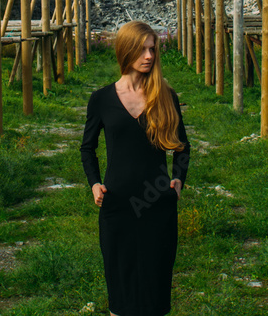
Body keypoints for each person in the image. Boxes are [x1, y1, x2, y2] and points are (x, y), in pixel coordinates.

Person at [80, 20, 190, 316]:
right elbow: (87, 148)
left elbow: (182, 146)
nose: (149, 56)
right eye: (142, 49)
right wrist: (94, 184)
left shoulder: (166, 96)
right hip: (116, 203)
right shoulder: (101, 99)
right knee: (121, 286)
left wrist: (178, 180)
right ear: (126, 50)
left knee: (156, 286)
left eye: (152, 49)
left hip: (157, 201)